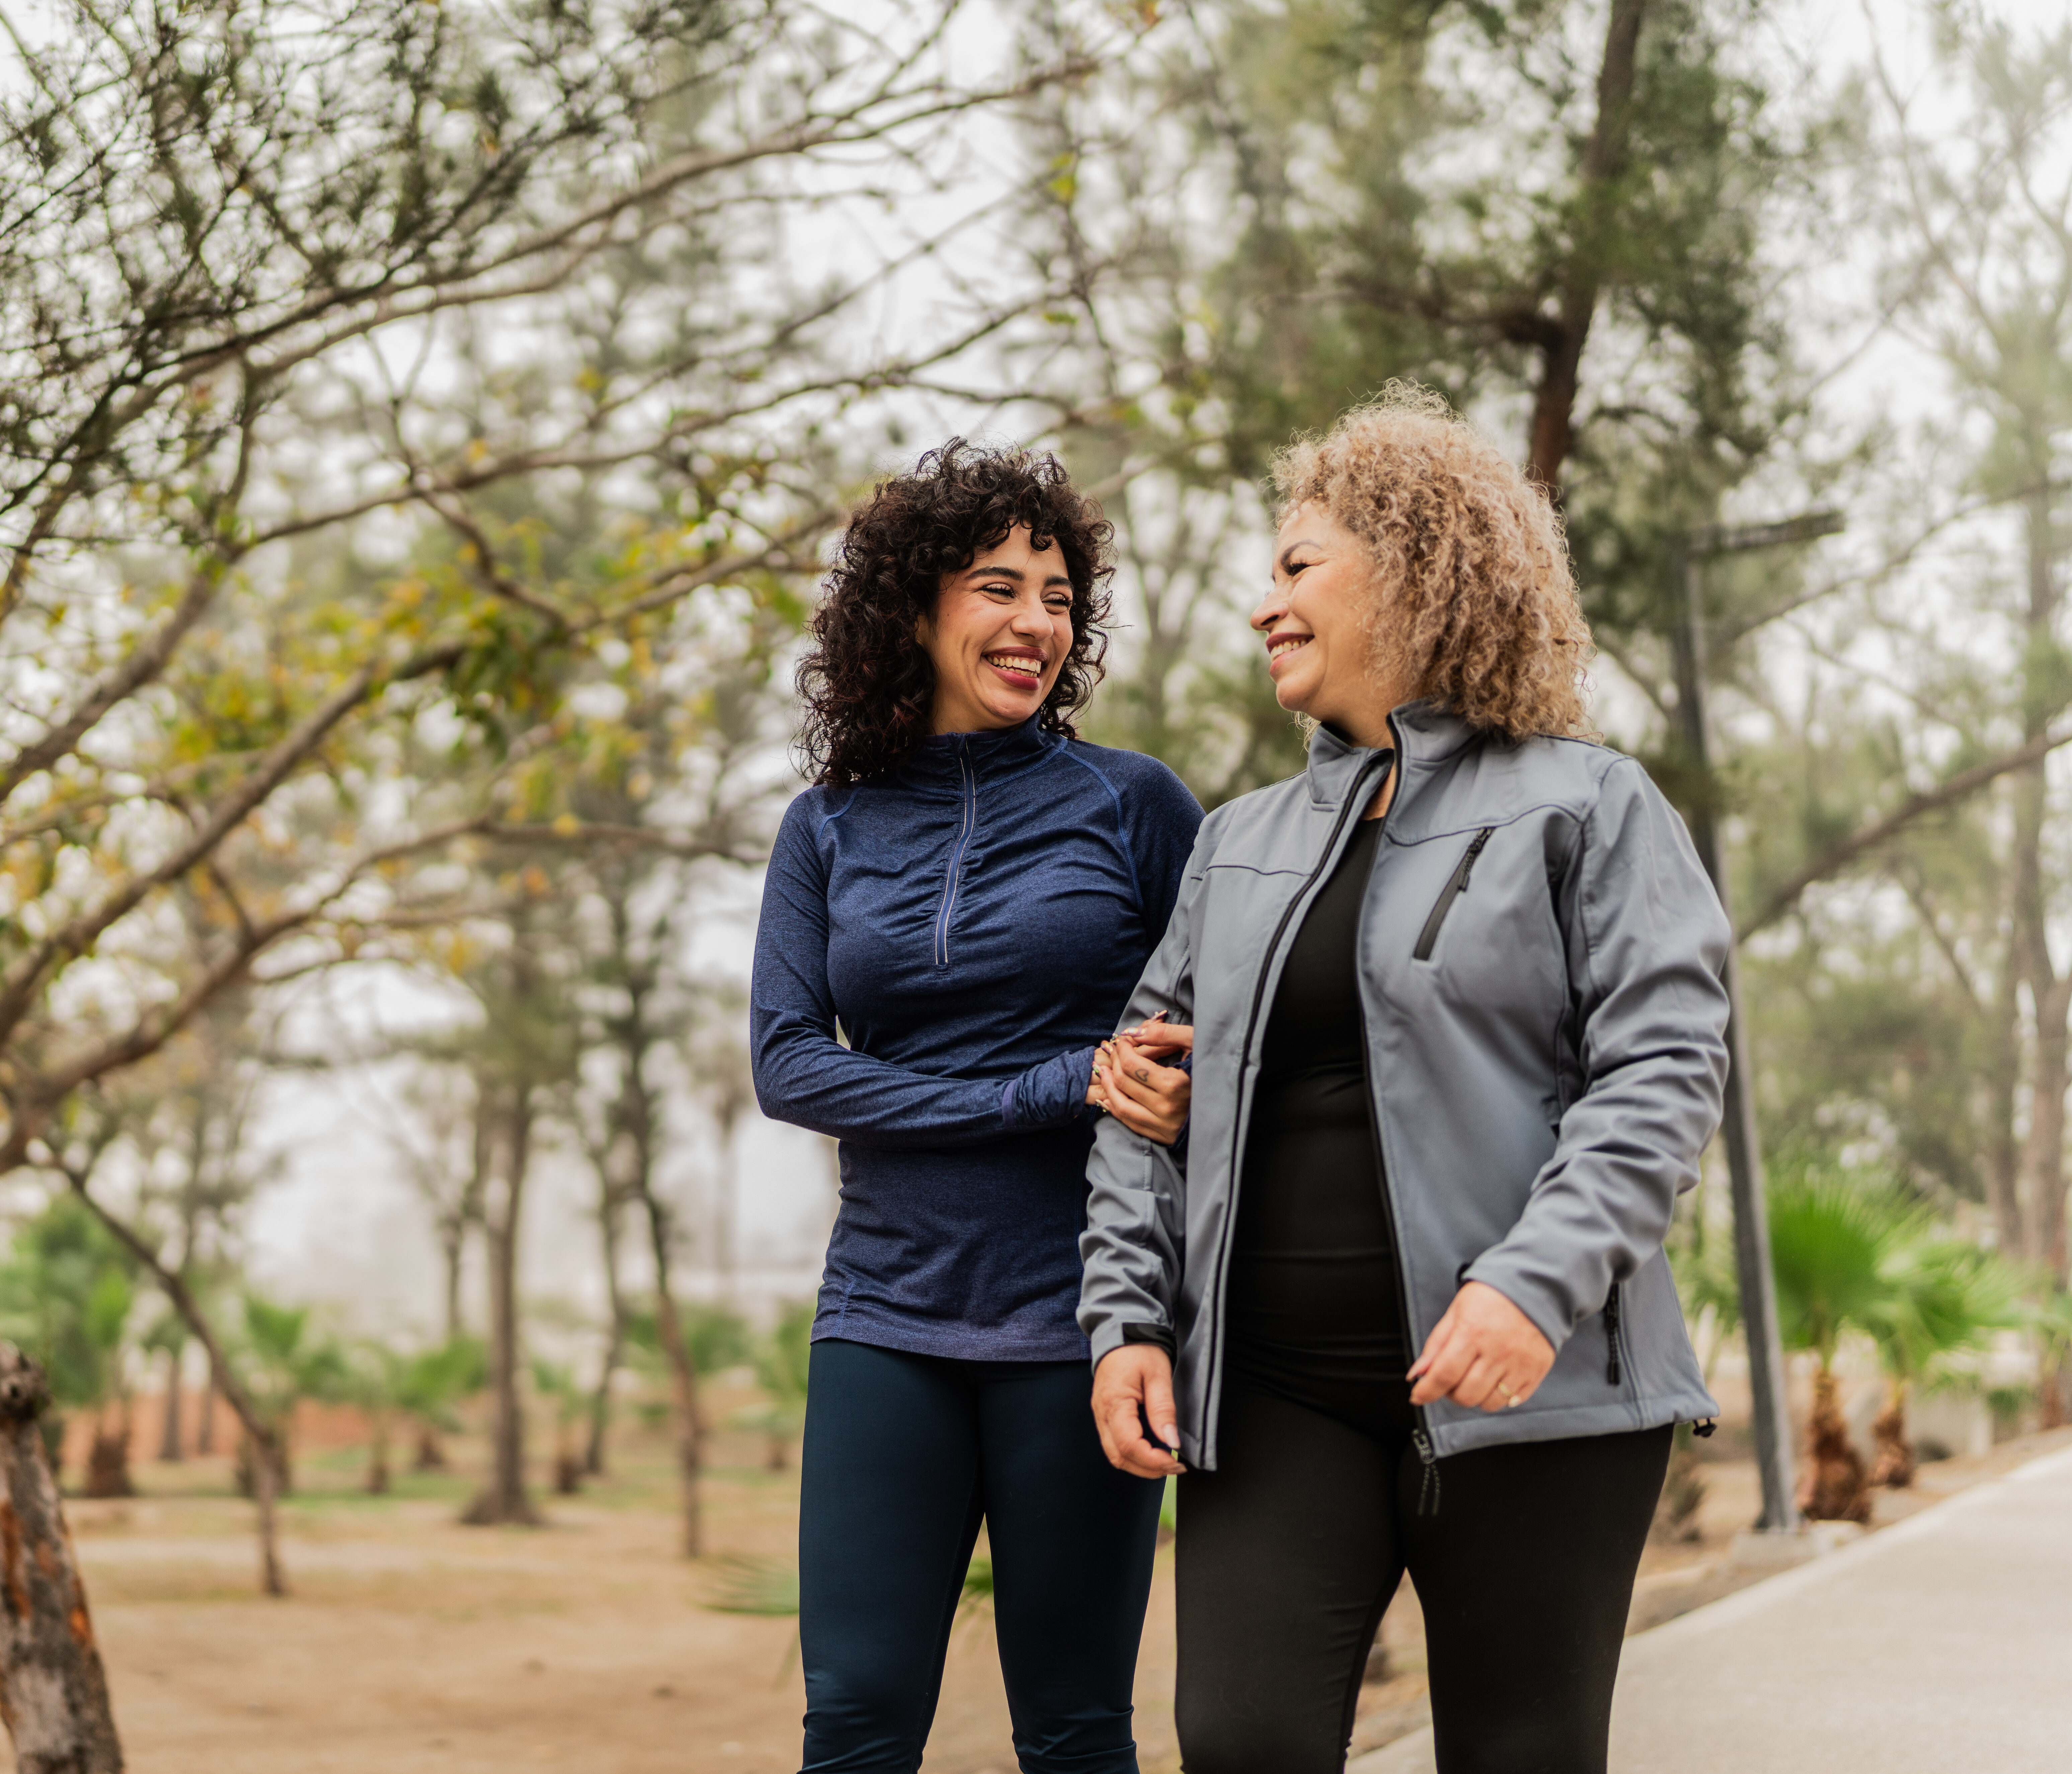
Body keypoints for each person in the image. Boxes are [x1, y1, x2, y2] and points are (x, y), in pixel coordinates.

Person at [1077, 387, 1732, 1774]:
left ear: (1416, 568)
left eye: (1298, 565)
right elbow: (1140, 1092)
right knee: (1241, 1739)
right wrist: (1127, 1313)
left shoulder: (1589, 805)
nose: (1267, 603)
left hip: (1530, 1392)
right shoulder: (1237, 842)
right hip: (1272, 1393)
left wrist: (1526, 1284)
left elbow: (1662, 1071)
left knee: (1521, 1751)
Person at [752, 439, 1203, 1774]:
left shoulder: (1134, 805)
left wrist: (1131, 1097)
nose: (1035, 624)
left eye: (1058, 596)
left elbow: (1196, 1045)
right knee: (855, 1723)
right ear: (914, 607)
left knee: (1072, 1731)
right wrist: (1056, 1081)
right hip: (883, 1312)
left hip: (1081, 1317)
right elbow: (788, 1063)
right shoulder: (826, 826)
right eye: (998, 587)